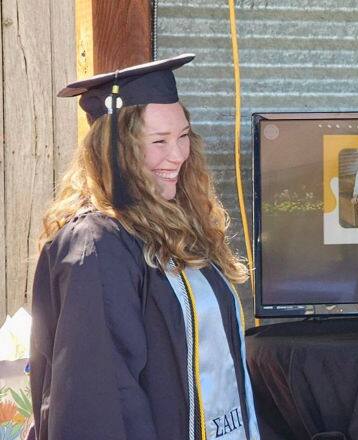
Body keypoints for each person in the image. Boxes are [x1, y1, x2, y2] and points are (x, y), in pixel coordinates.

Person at [29, 54, 260, 440]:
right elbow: (98, 398)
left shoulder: (173, 228)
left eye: (183, 135)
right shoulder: (98, 245)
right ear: (114, 151)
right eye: (158, 141)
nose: (178, 155)